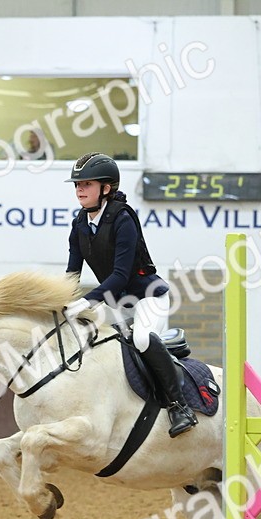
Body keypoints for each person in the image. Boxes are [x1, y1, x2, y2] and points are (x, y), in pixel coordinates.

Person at [63, 152, 196, 437]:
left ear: (106, 188)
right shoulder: (79, 224)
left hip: (148, 296)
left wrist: (85, 302)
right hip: (117, 303)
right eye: (77, 185)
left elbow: (120, 276)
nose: (79, 190)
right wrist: (59, 302)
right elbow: (72, 273)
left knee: (142, 338)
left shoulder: (123, 219)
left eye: (86, 184)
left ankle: (179, 405)